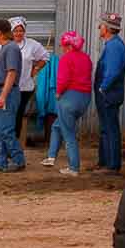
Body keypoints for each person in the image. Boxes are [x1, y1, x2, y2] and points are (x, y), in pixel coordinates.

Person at [46, 30, 92, 176]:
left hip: (69, 98)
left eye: (63, 45)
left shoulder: (66, 58)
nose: (62, 48)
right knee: (57, 125)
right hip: (84, 98)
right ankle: (51, 156)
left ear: (70, 46)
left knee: (69, 134)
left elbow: (63, 79)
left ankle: (73, 168)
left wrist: (58, 93)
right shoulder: (86, 58)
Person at [0, 18, 26, 171]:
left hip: (7, 92)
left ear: (0, 33)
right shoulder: (4, 48)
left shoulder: (11, 49)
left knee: (6, 129)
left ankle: (18, 160)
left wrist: (2, 95)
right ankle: (0, 161)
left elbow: (11, 73)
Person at [92, 12, 125, 172]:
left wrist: (103, 87)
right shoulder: (113, 45)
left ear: (106, 28)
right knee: (106, 129)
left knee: (110, 129)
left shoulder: (114, 47)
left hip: (108, 95)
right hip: (108, 94)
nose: (99, 27)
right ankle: (104, 161)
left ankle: (112, 165)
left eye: (101, 25)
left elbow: (113, 71)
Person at [11, 16, 49, 147]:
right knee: (8, 115)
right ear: (11, 32)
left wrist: (36, 68)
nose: (18, 33)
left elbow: (45, 57)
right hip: (9, 87)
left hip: (25, 87)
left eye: (21, 30)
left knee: (18, 115)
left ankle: (15, 143)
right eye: (15, 30)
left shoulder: (32, 44)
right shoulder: (5, 44)